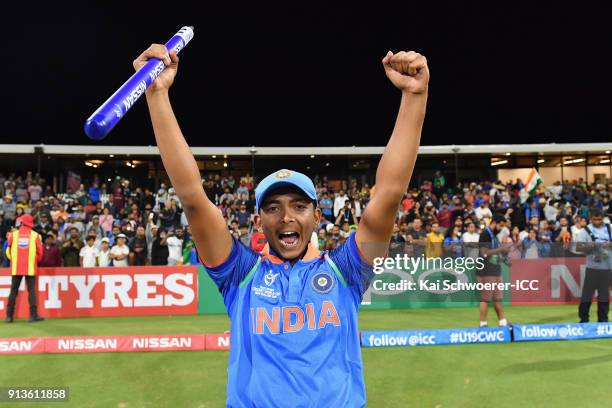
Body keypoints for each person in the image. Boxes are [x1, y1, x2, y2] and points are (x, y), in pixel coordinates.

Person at [136, 42, 428, 406]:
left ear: (317, 217)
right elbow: (193, 198)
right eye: (273, 208)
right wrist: (157, 94)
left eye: (299, 206)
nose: (287, 217)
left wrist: (415, 96)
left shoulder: (347, 272)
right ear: (258, 221)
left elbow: (388, 194)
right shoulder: (239, 275)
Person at [573, 209, 612, 323]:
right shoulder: (585, 231)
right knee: (587, 295)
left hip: (608, 268)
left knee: (604, 296)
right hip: (592, 268)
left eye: (599, 219)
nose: (597, 221)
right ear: (591, 219)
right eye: (595, 219)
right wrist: (596, 246)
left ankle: (603, 319)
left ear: (603, 218)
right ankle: (584, 319)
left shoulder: (610, 228)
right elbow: (578, 248)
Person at [5, 214, 44, 323]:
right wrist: (35, 261)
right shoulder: (36, 235)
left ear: (21, 222)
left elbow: (8, 251)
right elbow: (40, 253)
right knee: (31, 291)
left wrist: (13, 260)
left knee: (13, 291)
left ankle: (9, 316)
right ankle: (33, 315)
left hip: (16, 267)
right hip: (30, 267)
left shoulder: (13, 235)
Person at [478, 214, 511, 327]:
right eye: (500, 225)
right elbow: (484, 253)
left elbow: (495, 252)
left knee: (498, 298)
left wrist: (504, 259)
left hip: (496, 269)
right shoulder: (485, 234)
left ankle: (502, 322)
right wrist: (502, 248)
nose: (501, 228)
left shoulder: (494, 236)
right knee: (485, 298)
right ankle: (483, 324)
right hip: (486, 271)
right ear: (494, 222)